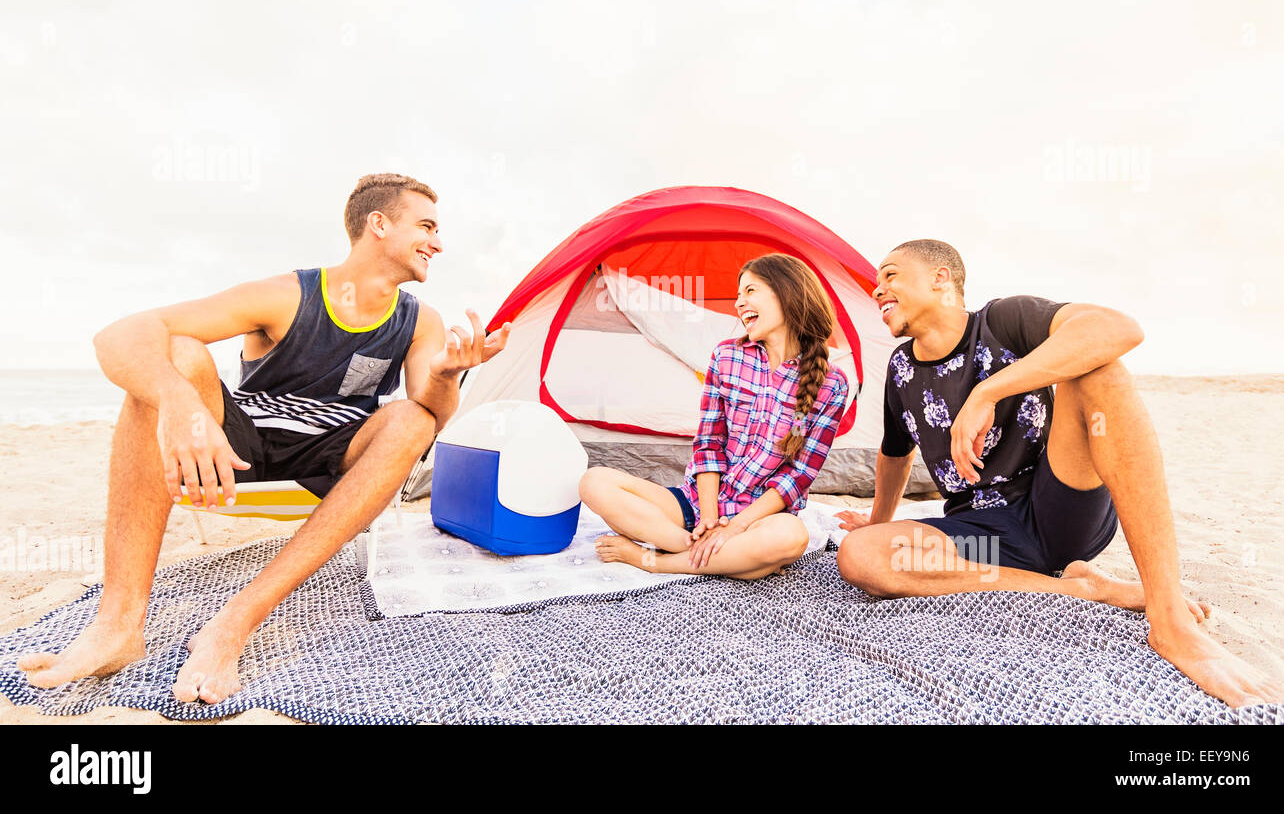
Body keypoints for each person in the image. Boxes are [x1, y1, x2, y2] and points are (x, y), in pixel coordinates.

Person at [19, 173, 509, 705]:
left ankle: (233, 623)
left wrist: (444, 377)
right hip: (241, 443)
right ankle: (117, 625)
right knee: (177, 352)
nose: (438, 242)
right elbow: (121, 335)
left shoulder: (420, 321)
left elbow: (432, 416)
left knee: (411, 419)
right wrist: (179, 401)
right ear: (379, 224)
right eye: (426, 226)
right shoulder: (287, 295)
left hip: (335, 457)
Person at [835, 239, 1284, 708]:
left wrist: (986, 394)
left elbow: (1117, 329)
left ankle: (1169, 615)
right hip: (982, 539)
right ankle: (1082, 589)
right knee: (861, 555)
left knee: (1098, 370)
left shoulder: (1003, 322)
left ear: (941, 278)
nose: (877, 289)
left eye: (890, 275)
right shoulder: (900, 369)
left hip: (1057, 504)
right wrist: (879, 520)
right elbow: (896, 454)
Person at [580, 253, 849, 578]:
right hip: (696, 505)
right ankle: (706, 552)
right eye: (738, 295)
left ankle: (655, 560)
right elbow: (709, 445)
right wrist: (709, 521)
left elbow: (799, 476)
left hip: (756, 519)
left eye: (750, 291)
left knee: (790, 537)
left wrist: (735, 527)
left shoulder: (832, 384)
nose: (739, 303)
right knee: (594, 482)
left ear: (787, 292)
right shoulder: (727, 357)